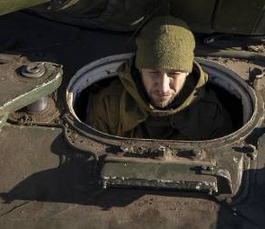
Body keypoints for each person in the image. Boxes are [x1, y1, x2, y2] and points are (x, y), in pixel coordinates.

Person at [86, 15, 233, 140]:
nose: (163, 87)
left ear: (187, 73)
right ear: (140, 69)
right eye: (154, 73)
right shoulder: (110, 106)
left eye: (174, 74)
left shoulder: (209, 114)